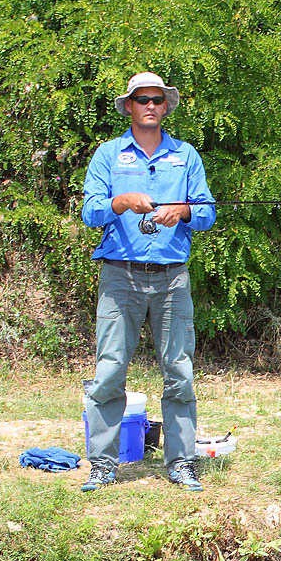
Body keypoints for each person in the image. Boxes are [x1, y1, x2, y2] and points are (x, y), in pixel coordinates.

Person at [80, 72, 216, 492]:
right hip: (119, 276)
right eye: (142, 100)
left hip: (172, 278)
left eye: (158, 99)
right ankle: (103, 464)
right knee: (110, 370)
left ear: (166, 105)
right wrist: (119, 202)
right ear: (130, 106)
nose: (151, 106)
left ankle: (182, 462)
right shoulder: (107, 155)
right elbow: (90, 213)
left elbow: (209, 212)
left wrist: (186, 211)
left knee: (179, 371)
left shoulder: (186, 155)